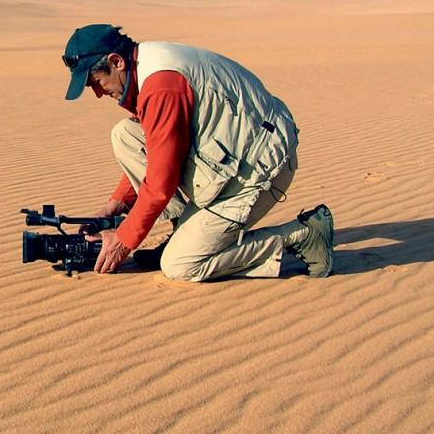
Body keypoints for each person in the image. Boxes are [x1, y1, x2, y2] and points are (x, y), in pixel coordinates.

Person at [62, 24, 334, 281]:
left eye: (96, 81)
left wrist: (122, 240)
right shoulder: (145, 66)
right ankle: (184, 230)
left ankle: (302, 235)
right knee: (125, 135)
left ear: (116, 61)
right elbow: (160, 151)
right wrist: (115, 205)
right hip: (233, 153)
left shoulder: (161, 86)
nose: (98, 93)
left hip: (261, 166)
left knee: (180, 265)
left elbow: (159, 182)